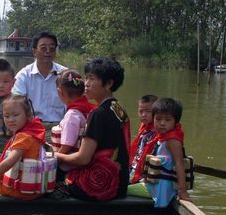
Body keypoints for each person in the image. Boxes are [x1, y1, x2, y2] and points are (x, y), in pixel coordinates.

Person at [55, 57, 131, 201]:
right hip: (121, 182)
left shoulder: (98, 114)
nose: (86, 84)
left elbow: (83, 159)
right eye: (86, 78)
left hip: (101, 184)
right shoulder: (119, 108)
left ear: (108, 84)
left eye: (91, 79)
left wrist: (55, 156)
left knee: (55, 176)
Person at [0, 94, 47, 200]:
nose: (11, 120)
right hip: (36, 189)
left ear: (27, 115)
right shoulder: (34, 130)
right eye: (7, 116)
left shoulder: (23, 137)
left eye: (15, 115)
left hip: (22, 191)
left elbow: (10, 161)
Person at [12, 31, 67, 130]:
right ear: (34, 52)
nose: (48, 51)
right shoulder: (23, 76)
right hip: (33, 127)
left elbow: (74, 103)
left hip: (61, 127)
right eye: (43, 48)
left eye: (52, 48)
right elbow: (16, 105)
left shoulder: (65, 74)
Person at [143, 98, 190, 207]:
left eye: (168, 120)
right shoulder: (162, 137)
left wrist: (182, 191)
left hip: (161, 188)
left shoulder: (172, 140)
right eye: (158, 119)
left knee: (123, 190)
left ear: (176, 122)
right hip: (156, 184)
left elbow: (179, 164)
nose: (162, 123)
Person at [52, 69, 97, 171]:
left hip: (68, 167)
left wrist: (54, 159)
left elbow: (67, 144)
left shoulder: (72, 115)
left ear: (60, 92)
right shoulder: (90, 110)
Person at [128, 94, 158, 184]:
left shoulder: (157, 132)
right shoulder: (144, 129)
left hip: (143, 175)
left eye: (148, 111)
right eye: (141, 111)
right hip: (134, 169)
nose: (144, 115)